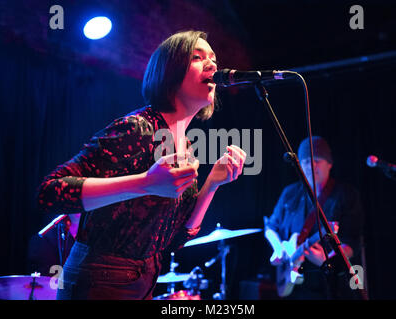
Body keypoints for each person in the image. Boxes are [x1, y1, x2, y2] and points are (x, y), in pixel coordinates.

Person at [36, 30, 247, 300]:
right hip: (99, 279)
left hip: (143, 280)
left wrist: (212, 184)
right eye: (197, 57)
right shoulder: (138, 128)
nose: (212, 64)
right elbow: (49, 192)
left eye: (213, 58)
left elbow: (175, 241)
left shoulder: (186, 148)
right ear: (169, 71)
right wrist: (146, 183)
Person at [264, 136, 364, 299]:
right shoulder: (290, 193)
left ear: (329, 163)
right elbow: (271, 226)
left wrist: (328, 259)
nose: (311, 165)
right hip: (295, 288)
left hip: (330, 285)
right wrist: (278, 248)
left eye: (317, 160)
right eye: (305, 161)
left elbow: (353, 240)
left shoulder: (346, 195)